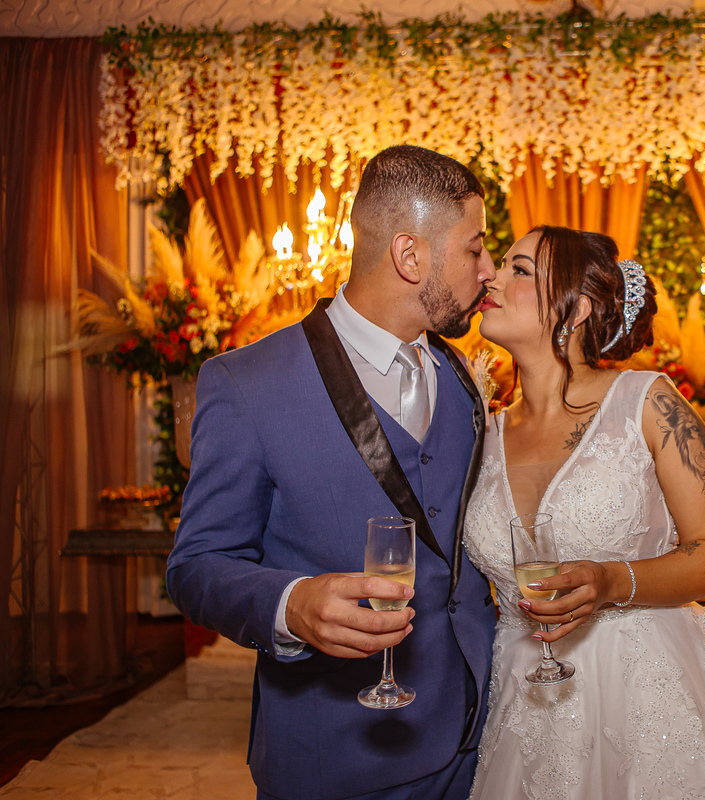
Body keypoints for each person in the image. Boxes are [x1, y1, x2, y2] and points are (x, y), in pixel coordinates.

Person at [463, 226, 705, 799]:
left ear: (577, 307)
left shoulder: (648, 404)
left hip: (648, 692)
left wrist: (613, 581)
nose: (491, 277)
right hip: (522, 698)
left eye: (519, 269)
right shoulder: (480, 429)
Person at [166, 145, 499, 800]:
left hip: (476, 739)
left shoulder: (460, 378)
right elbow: (196, 565)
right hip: (335, 757)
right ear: (410, 256)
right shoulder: (246, 384)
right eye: (474, 248)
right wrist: (291, 605)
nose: (488, 271)